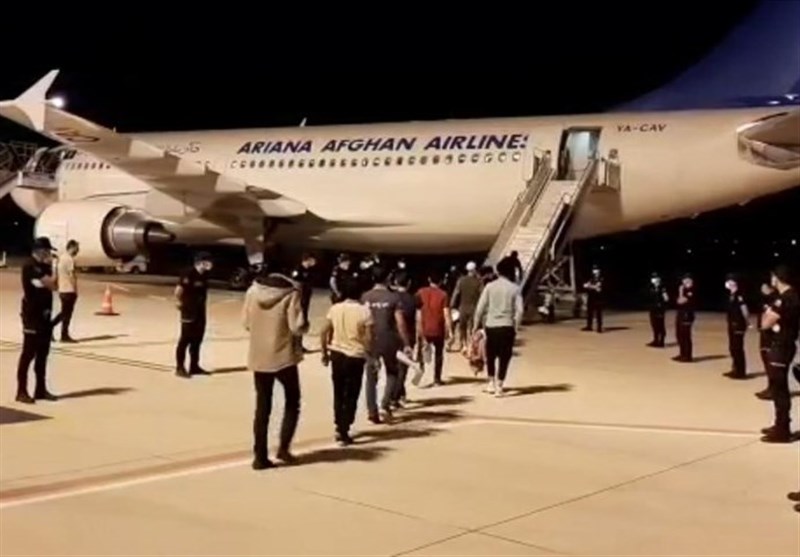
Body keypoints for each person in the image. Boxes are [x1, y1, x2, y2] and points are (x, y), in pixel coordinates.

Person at [242, 264, 305, 469]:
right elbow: (296, 326)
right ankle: (283, 448)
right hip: (283, 355)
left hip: (259, 355)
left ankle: (259, 456)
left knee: (263, 406)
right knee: (292, 401)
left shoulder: (253, 291)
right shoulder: (291, 293)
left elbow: (246, 323)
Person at [320, 276, 372, 446]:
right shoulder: (364, 311)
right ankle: (345, 427)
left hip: (337, 353)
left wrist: (324, 352)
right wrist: (370, 355)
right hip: (355, 355)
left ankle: (339, 424)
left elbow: (323, 331)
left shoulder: (335, 308)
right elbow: (368, 338)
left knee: (338, 391)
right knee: (352, 393)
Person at [361, 266, 413, 423]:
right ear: (388, 278)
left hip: (370, 338)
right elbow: (400, 322)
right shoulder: (393, 297)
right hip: (389, 338)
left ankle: (372, 410)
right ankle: (385, 404)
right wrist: (406, 343)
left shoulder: (365, 296)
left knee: (371, 376)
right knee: (392, 372)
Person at [759, 265, 799, 444]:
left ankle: (782, 430)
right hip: (783, 345)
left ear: (778, 278)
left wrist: (768, 314)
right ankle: (780, 424)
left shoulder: (785, 298)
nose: (771, 280)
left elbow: (765, 323)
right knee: (778, 388)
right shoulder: (790, 296)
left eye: (773, 277)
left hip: (781, 346)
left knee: (779, 389)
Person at [16, 237, 58, 404]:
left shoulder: (43, 266)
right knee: (28, 354)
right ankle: (21, 391)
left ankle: (40, 389)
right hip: (32, 317)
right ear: (39, 251)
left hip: (44, 316)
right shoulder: (30, 266)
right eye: (47, 251)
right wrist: (55, 267)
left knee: (42, 355)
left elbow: (53, 286)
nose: (49, 254)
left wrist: (50, 267)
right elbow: (52, 284)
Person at [474, 258, 524, 397]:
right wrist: (516, 326)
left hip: (491, 325)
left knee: (490, 355)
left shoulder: (490, 287)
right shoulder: (515, 288)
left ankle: (491, 383)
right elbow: (520, 311)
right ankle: (500, 385)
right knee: (504, 356)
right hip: (507, 325)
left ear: (499, 271)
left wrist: (475, 325)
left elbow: (480, 308)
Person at [174, 251, 213, 377]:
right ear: (201, 262)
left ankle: (194, 366)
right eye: (208, 261)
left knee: (197, 340)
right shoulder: (188, 273)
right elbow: (179, 290)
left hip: (200, 311)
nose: (210, 264)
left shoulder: (204, 275)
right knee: (185, 340)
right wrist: (179, 302)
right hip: (189, 311)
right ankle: (180, 367)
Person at [416, 271, 452, 386]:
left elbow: (417, 312)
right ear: (441, 281)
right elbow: (446, 314)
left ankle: (419, 374)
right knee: (439, 354)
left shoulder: (420, 292)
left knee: (421, 353)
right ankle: (437, 379)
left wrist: (418, 328)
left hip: (424, 327)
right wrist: (450, 330)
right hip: (438, 328)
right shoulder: (443, 295)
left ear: (429, 279)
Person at [392, 271, 422, 403]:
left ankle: (397, 394)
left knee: (392, 367)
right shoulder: (414, 299)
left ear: (395, 282)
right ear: (409, 283)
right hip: (409, 336)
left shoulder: (391, 298)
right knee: (403, 368)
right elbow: (419, 320)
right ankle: (397, 395)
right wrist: (420, 338)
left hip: (392, 335)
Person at [450, 261, 483, 352]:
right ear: (475, 270)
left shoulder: (461, 280)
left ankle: (463, 344)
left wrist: (452, 305)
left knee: (462, 327)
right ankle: (471, 345)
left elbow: (456, 293)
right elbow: (482, 294)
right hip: (474, 308)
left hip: (462, 307)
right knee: (472, 327)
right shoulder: (478, 281)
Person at [723, 274, 750, 380]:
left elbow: (744, 309)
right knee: (733, 348)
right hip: (731, 324)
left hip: (738, 324)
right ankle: (735, 368)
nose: (728, 283)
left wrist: (747, 322)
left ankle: (740, 372)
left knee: (738, 348)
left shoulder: (739, 295)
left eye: (730, 281)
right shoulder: (731, 295)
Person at [755, 282, 778, 400]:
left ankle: (774, 390)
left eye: (764, 287)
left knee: (772, 364)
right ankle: (770, 387)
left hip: (771, 335)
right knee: (766, 361)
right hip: (764, 334)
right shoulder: (765, 300)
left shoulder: (775, 300)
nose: (762, 289)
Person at [55, 239, 80, 343]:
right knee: (66, 314)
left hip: (62, 289)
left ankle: (63, 333)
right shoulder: (69, 260)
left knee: (64, 313)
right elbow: (72, 276)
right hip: (69, 290)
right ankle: (60, 333)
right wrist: (75, 290)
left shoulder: (61, 258)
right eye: (77, 248)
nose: (77, 251)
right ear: (72, 247)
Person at [291, 252, 317, 352]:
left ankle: (299, 344)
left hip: (305, 299)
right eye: (313, 260)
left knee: (303, 322)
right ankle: (294, 345)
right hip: (298, 300)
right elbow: (295, 284)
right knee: (297, 321)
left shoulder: (310, 270)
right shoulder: (298, 270)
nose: (314, 262)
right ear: (307, 260)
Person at [673, 274, 696, 363]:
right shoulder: (684, 290)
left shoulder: (691, 290)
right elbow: (677, 301)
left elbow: (681, 301)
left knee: (686, 336)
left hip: (687, 315)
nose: (685, 282)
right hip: (681, 314)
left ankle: (687, 356)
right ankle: (682, 353)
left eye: (687, 280)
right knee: (679, 335)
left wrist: (680, 291)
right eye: (684, 280)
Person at [646, 272, 668, 347]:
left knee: (660, 325)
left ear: (659, 279)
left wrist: (662, 306)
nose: (654, 279)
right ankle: (655, 340)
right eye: (653, 278)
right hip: (653, 309)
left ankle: (661, 341)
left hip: (660, 309)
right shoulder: (651, 287)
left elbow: (666, 298)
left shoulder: (662, 288)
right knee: (654, 325)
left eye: (656, 278)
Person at [582, 266, 604, 333]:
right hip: (591, 296)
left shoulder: (601, 278)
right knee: (589, 312)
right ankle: (589, 326)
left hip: (598, 298)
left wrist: (589, 286)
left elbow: (598, 287)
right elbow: (586, 285)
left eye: (596, 270)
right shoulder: (592, 279)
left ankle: (599, 327)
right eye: (594, 270)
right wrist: (589, 286)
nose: (595, 272)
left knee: (598, 313)